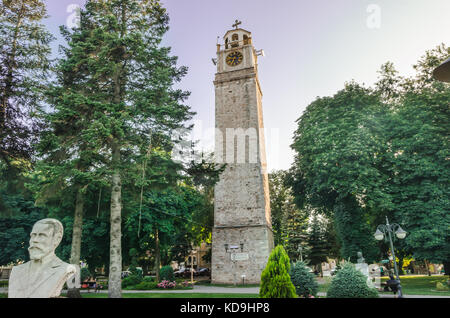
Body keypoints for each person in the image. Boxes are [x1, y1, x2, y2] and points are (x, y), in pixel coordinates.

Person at [8, 219, 76, 298]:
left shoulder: (65, 268)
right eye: (33, 235)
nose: (35, 240)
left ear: (57, 239)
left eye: (42, 235)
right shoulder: (17, 270)